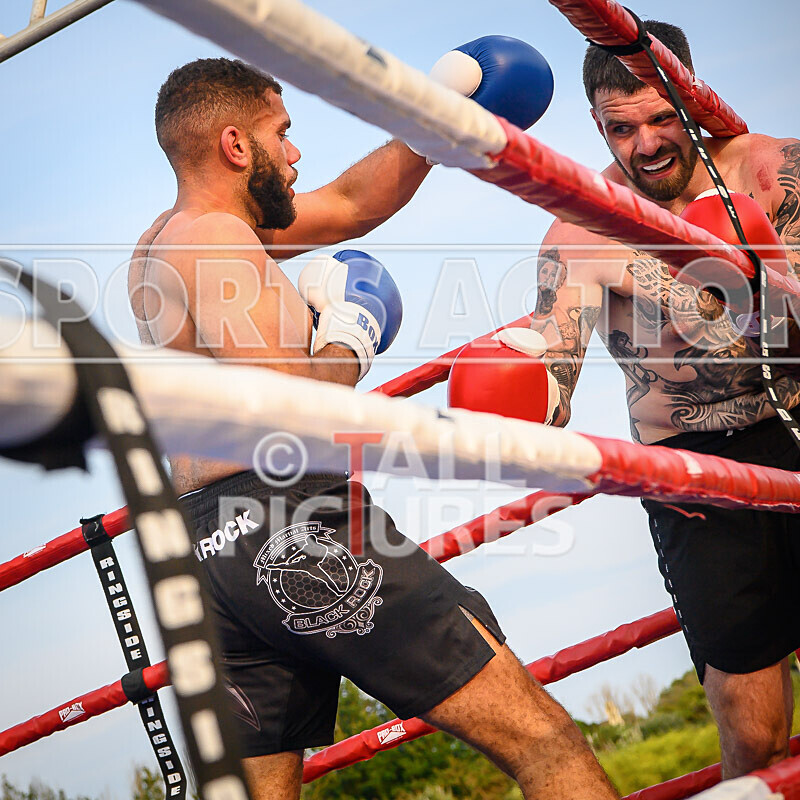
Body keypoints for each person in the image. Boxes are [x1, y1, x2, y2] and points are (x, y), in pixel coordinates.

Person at [128, 57, 618, 800]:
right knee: (543, 739)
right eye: (281, 134)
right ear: (236, 146)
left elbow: (353, 203)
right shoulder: (223, 242)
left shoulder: (163, 245)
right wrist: (350, 337)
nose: (295, 154)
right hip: (286, 518)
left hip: (204, 549)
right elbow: (291, 402)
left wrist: (429, 125)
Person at [525, 20, 800, 780]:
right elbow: (554, 372)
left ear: (693, 97)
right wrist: (526, 390)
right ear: (596, 125)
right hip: (696, 478)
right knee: (754, 733)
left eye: (660, 118)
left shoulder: (772, 173)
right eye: (621, 128)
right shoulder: (580, 227)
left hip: (798, 423)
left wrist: (762, 266)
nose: (644, 145)